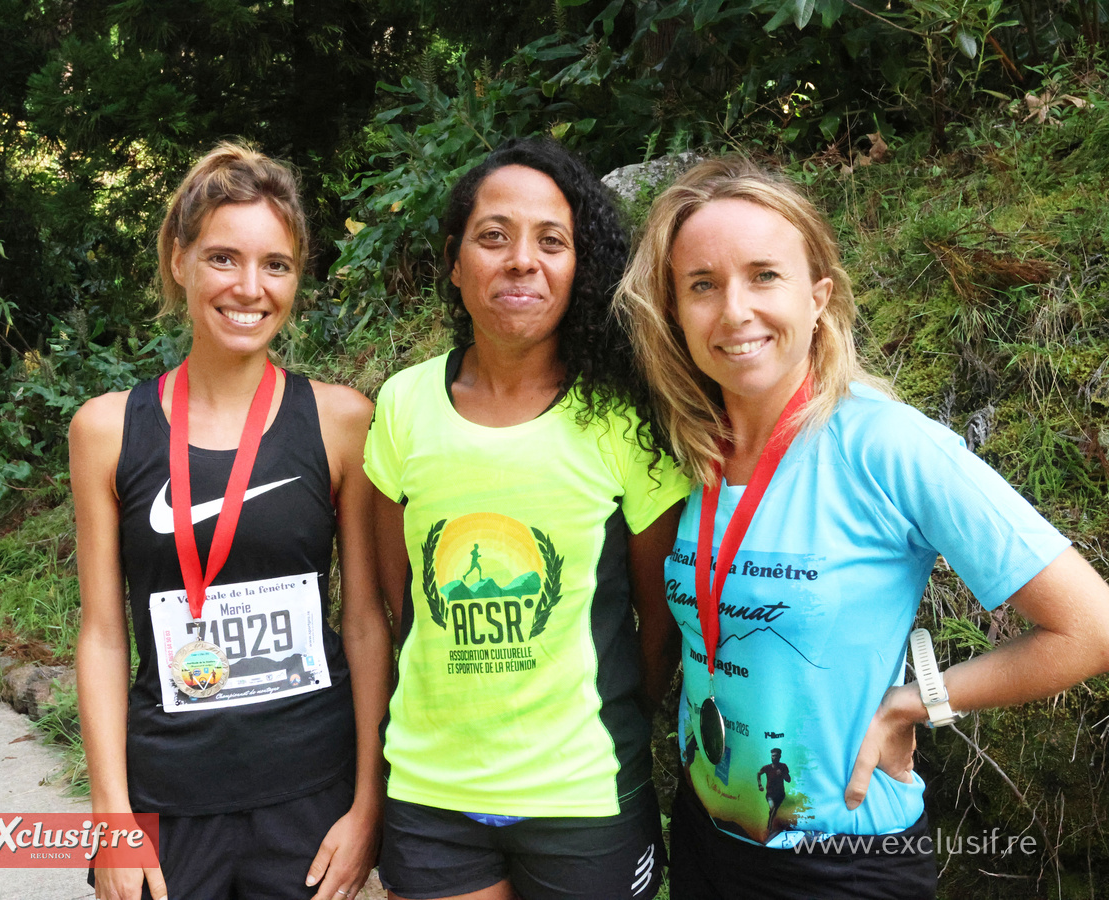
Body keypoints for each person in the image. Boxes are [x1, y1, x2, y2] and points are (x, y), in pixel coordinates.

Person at [614, 155, 1109, 898]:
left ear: (819, 298)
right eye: (703, 285)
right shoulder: (686, 452)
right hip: (706, 835)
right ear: (675, 310)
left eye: (764, 276)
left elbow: (1090, 627)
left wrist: (921, 700)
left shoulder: (885, 445)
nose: (735, 310)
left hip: (843, 857)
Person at [364, 137, 690, 900]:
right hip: (432, 789)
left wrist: (603, 719)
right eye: (493, 236)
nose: (521, 261)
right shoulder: (404, 404)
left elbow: (659, 622)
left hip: (586, 793)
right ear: (455, 261)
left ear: (581, 267)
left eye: (551, 241)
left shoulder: (621, 416)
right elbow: (403, 604)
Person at [69, 142, 390, 900]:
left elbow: (365, 623)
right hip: (168, 799)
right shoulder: (106, 431)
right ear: (179, 261)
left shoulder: (341, 421)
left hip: (310, 799)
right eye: (223, 258)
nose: (250, 288)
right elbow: (103, 635)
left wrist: (367, 805)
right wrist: (111, 817)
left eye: (276, 265)